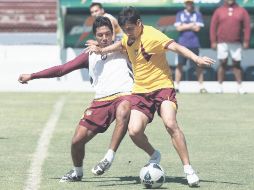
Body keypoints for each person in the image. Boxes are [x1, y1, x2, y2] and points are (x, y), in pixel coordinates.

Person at [87, 6, 215, 186]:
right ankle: (154, 155)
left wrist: (196, 59)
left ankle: (188, 169)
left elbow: (176, 47)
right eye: (125, 30)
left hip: (162, 87)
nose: (128, 33)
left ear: (139, 24)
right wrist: (102, 50)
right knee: (134, 131)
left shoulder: (153, 35)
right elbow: (121, 43)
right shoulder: (128, 37)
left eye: (130, 29)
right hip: (140, 91)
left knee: (170, 124)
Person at [18, 16, 134, 182]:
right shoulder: (89, 54)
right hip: (101, 101)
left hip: (125, 94)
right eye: (100, 35)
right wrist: (33, 75)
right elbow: (62, 69)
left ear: (113, 33)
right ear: (95, 36)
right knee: (76, 141)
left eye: (108, 34)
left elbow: (132, 44)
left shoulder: (123, 46)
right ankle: (77, 172)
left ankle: (108, 157)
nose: (104, 38)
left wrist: (104, 49)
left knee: (124, 111)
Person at [210, 0, 250, 94]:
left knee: (237, 64)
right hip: (222, 42)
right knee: (222, 63)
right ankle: (219, 87)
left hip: (236, 42)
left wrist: (246, 41)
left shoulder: (242, 11)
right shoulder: (219, 11)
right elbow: (213, 26)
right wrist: (213, 41)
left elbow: (247, 27)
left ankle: (240, 87)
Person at [174, 0, 207, 93]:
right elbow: (178, 28)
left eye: (191, 3)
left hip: (194, 43)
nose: (189, 5)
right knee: (179, 65)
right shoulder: (180, 14)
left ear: (193, 4)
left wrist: (184, 25)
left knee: (198, 64)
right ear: (185, 4)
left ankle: (201, 86)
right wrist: (191, 25)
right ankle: (177, 86)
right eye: (188, 3)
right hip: (182, 44)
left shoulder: (197, 14)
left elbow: (197, 28)